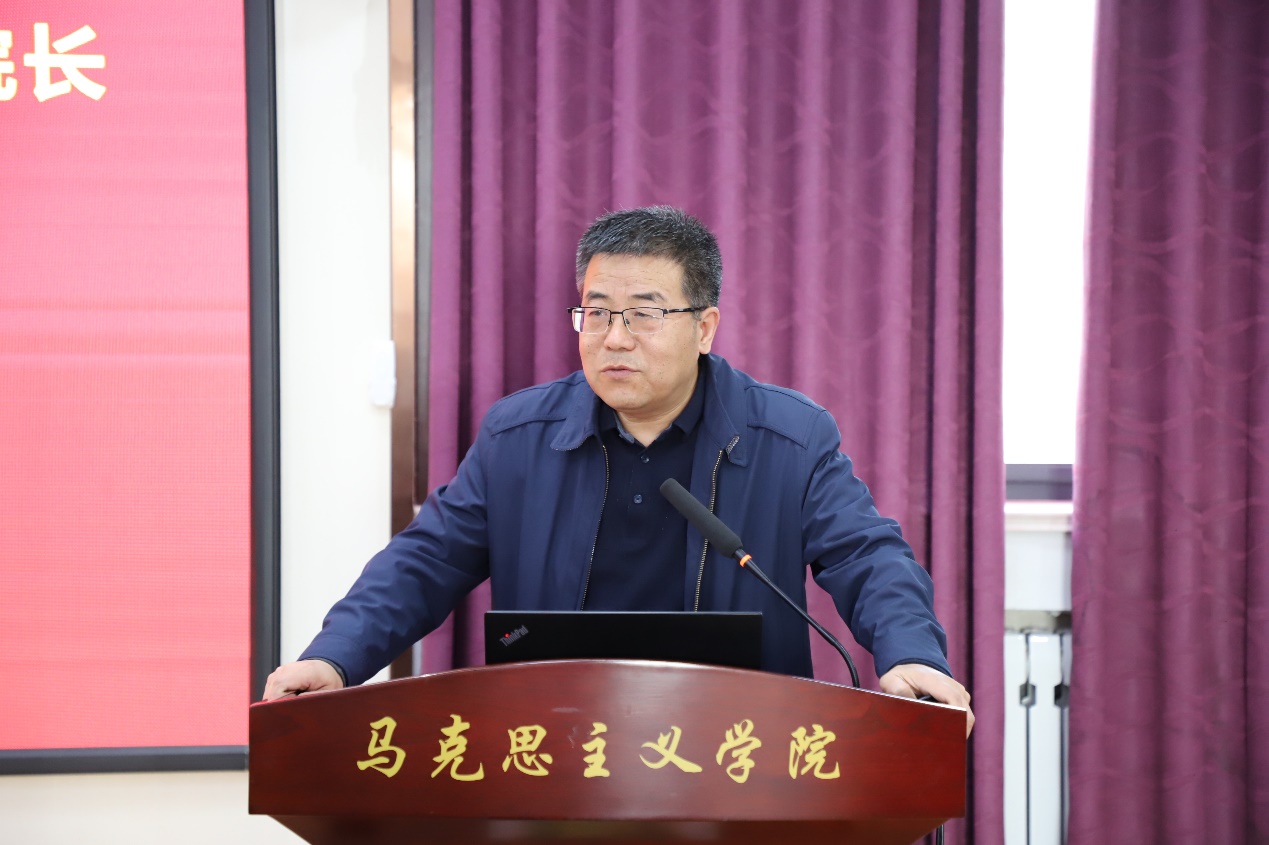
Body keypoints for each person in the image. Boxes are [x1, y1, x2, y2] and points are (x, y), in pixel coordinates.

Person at [263, 206, 973, 733]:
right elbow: (426, 560)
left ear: (704, 327)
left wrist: (911, 653)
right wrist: (335, 658)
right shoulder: (519, 437)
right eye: (596, 313)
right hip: (558, 743)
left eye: (644, 315)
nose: (614, 339)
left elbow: (865, 555)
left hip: (739, 746)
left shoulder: (788, 436)